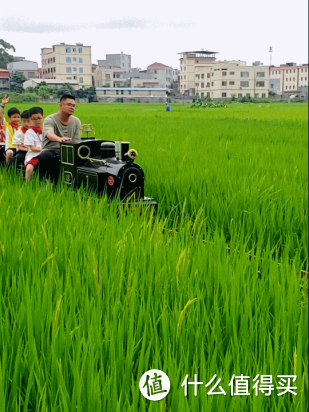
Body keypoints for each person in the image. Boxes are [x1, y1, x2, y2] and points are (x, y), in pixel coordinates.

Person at [40, 94, 81, 182]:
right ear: (60, 105)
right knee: (45, 156)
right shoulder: (50, 119)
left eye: (74, 106)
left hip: (69, 151)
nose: (72, 107)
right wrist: (59, 139)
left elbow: (77, 141)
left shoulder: (76, 121)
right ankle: (46, 182)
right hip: (51, 149)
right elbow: (48, 133)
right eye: (69, 105)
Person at [24, 107, 44, 181]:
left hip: (47, 153)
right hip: (34, 155)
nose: (37, 121)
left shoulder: (47, 130)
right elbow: (32, 148)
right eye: (34, 119)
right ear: (31, 120)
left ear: (43, 118)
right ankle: (27, 182)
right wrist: (43, 150)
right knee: (29, 168)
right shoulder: (29, 132)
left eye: (39, 118)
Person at [0, 95, 20, 164]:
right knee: (9, 152)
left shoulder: (21, 127)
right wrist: (2, 105)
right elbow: (1, 115)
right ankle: (7, 167)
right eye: (14, 117)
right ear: (9, 117)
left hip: (19, 147)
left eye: (18, 117)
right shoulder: (6, 126)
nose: (17, 119)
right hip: (10, 147)